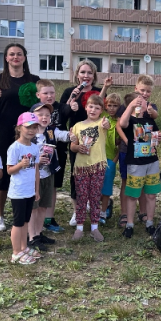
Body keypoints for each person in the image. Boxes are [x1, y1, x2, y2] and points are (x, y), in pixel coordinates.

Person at [0, 43, 40, 230]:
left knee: (28, 170)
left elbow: (40, 108)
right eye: (12, 54)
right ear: (6, 58)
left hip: (27, 133)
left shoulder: (34, 79)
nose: (16, 57)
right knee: (3, 175)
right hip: (4, 131)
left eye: (19, 54)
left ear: (24, 57)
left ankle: (26, 214)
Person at [59, 60, 110, 227]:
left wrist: (105, 89)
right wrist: (72, 98)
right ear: (77, 74)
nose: (86, 76)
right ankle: (77, 211)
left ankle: (95, 208)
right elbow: (63, 115)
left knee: (95, 174)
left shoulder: (97, 91)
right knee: (77, 174)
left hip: (96, 140)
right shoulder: (69, 91)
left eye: (89, 73)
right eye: (83, 72)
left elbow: (102, 107)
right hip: (77, 139)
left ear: (94, 75)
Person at [119, 92, 161, 238]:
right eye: (143, 101)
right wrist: (131, 105)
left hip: (152, 161)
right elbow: (122, 124)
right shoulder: (130, 120)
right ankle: (130, 224)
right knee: (132, 195)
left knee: (151, 194)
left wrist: (159, 137)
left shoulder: (149, 120)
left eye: (145, 101)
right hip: (135, 163)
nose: (146, 103)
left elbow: (156, 138)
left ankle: (150, 222)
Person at [28, 102, 70, 252]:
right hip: (33, 176)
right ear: (32, 116)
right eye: (41, 115)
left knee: (43, 206)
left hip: (48, 174)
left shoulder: (51, 131)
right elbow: (22, 156)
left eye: (47, 115)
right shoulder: (28, 134)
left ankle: (39, 234)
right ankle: (31, 237)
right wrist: (37, 159)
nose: (45, 117)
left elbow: (64, 135)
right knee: (33, 207)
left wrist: (74, 133)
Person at [6, 113, 47, 265]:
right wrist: (20, 165)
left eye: (34, 127)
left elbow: (36, 170)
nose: (31, 130)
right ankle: (16, 252)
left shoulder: (35, 147)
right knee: (17, 223)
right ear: (19, 127)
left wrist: (36, 190)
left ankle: (24, 247)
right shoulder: (14, 148)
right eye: (28, 127)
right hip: (18, 191)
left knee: (25, 221)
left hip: (30, 191)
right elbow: (9, 170)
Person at [70, 94, 111, 242]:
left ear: (101, 111)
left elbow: (108, 126)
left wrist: (107, 124)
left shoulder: (102, 123)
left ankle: (95, 227)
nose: (93, 110)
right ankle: (79, 227)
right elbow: (72, 147)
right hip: (81, 167)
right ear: (86, 107)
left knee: (94, 197)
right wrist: (76, 146)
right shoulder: (77, 126)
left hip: (97, 166)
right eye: (91, 106)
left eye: (97, 107)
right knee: (81, 197)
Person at [33, 79, 66, 234]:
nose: (49, 95)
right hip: (33, 171)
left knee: (50, 190)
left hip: (51, 166)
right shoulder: (29, 131)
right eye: (45, 93)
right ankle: (32, 230)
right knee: (35, 197)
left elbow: (62, 134)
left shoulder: (52, 128)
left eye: (52, 92)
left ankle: (47, 220)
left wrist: (74, 134)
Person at [102, 93, 125, 224]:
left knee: (107, 185)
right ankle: (104, 205)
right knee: (96, 185)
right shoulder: (102, 118)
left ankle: (104, 210)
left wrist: (115, 160)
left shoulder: (120, 121)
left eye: (115, 106)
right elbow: (97, 101)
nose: (111, 108)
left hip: (111, 158)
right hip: (98, 157)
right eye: (109, 105)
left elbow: (121, 143)